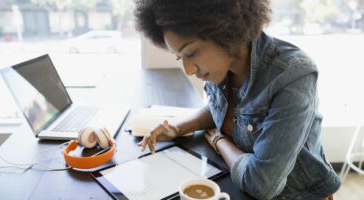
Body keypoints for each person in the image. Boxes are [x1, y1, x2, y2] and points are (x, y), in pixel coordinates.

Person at [134, 0, 341, 199]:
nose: (188, 70)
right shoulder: (222, 67)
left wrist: (219, 142)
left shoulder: (292, 75)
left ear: (224, 30)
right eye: (180, 57)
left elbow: (262, 184)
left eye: (192, 52)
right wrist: (178, 128)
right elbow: (220, 109)